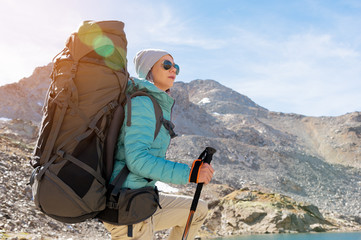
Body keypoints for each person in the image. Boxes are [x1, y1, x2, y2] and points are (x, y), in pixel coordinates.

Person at [103, 49, 215, 240]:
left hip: (143, 199)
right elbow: (137, 160)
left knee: (198, 210)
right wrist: (190, 174)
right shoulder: (142, 103)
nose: (173, 70)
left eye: (176, 67)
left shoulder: (154, 103)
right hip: (128, 208)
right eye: (166, 65)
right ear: (149, 70)